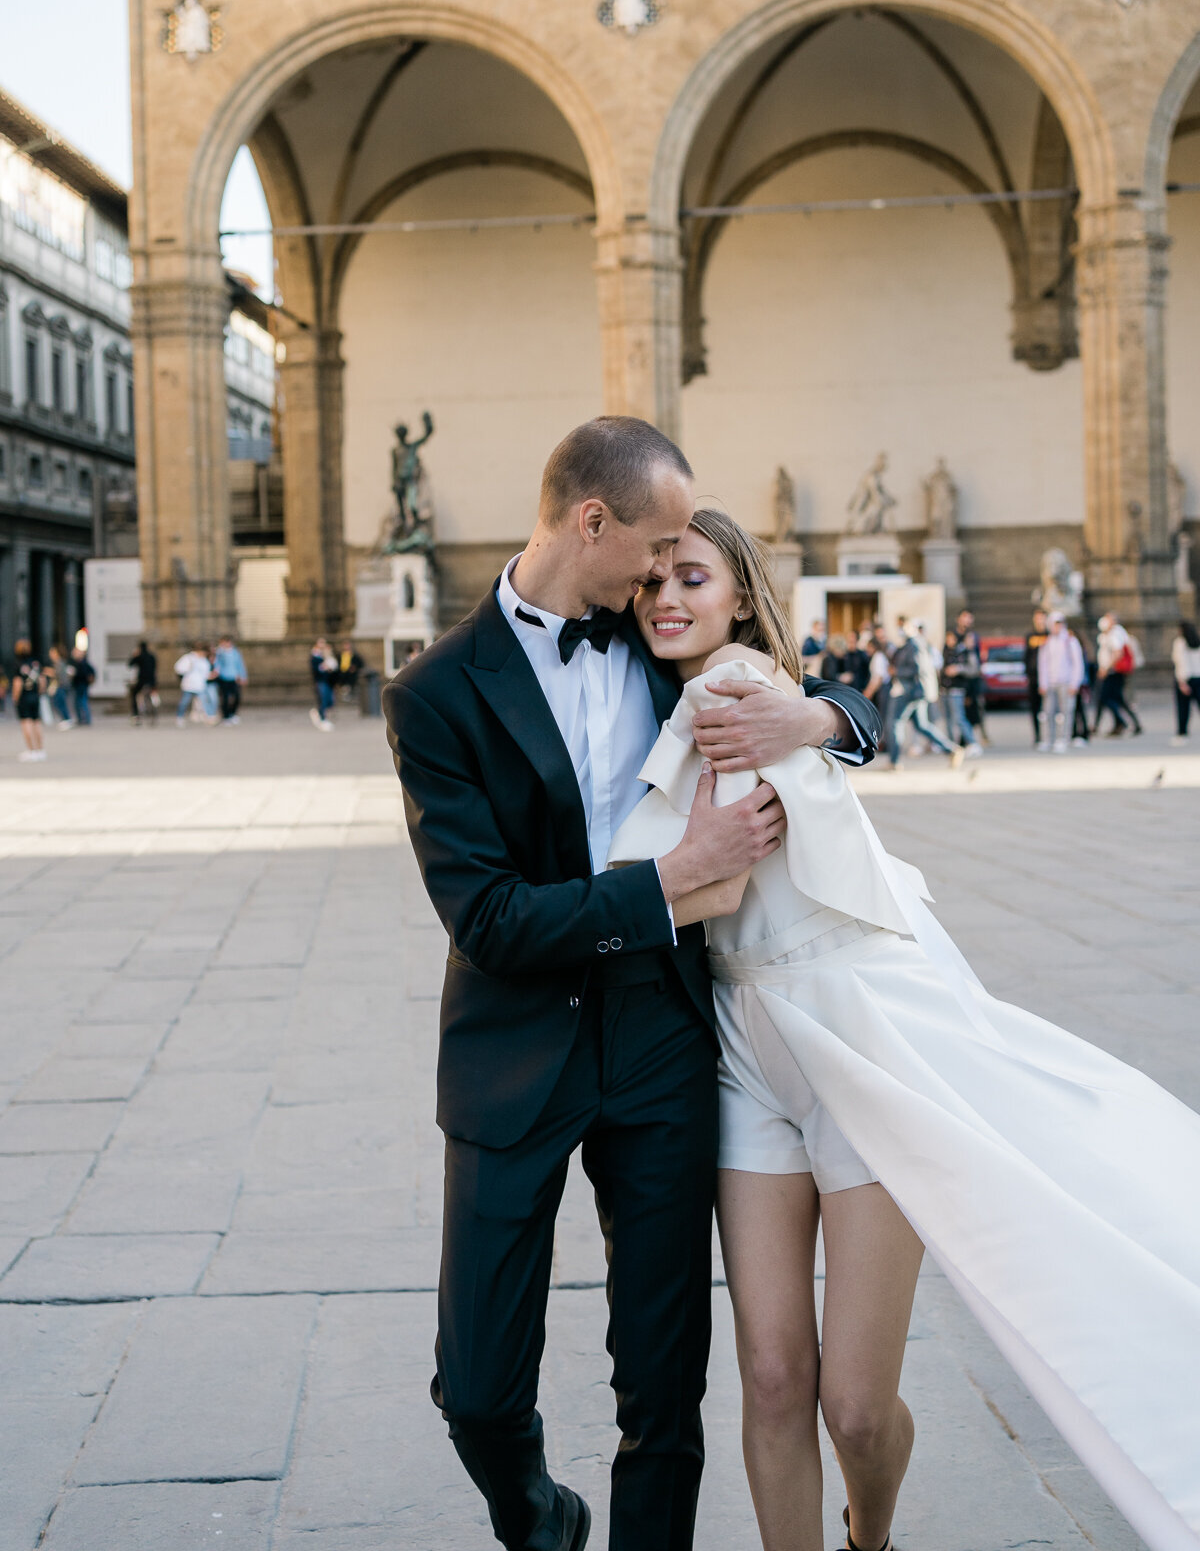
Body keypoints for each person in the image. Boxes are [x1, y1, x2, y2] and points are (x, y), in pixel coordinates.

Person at [610, 507, 1200, 1551]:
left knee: (854, 1405)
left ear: (742, 595)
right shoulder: (686, 693)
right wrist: (832, 717)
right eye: (652, 583)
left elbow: (699, 880)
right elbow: (842, 725)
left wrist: (572, 913)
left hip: (859, 1032)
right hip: (747, 1042)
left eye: (692, 579)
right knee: (773, 1373)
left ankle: (869, 1537)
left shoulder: (732, 689)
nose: (667, 599)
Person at [383, 417, 880, 1551]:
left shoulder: (668, 649)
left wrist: (822, 714)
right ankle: (543, 1518)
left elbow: (842, 708)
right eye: (652, 549)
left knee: (664, 1388)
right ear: (589, 522)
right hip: (514, 1051)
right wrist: (673, 883)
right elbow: (492, 920)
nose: (665, 574)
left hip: (664, 1047)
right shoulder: (434, 695)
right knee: (479, 1390)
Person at [888, 624, 962, 768]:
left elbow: (917, 669)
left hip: (910, 692)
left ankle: (894, 761)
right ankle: (952, 749)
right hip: (916, 692)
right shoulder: (916, 645)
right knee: (922, 725)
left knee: (895, 722)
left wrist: (897, 672)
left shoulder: (914, 646)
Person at [1035, 612, 1087, 753]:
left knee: (1065, 713)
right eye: (1054, 624)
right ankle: (1047, 739)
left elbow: (1078, 664)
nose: (1057, 627)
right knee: (1047, 713)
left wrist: (1075, 683)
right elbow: (1043, 665)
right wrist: (1042, 683)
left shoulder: (1070, 641)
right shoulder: (1047, 642)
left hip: (1066, 682)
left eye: (1059, 624)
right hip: (1051, 682)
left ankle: (1062, 739)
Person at [1094, 612, 1143, 737]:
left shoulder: (1115, 634)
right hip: (1112, 671)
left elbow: (1118, 653)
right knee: (1117, 699)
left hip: (1113, 672)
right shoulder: (1111, 634)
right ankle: (1126, 724)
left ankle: (1121, 722)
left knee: (1107, 698)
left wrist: (1106, 668)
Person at [940, 630, 983, 757]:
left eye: (952, 638)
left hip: (957, 689)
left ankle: (973, 743)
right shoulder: (945, 652)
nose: (949, 641)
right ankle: (951, 746)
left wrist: (958, 669)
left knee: (959, 718)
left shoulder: (964, 652)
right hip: (944, 689)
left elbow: (974, 669)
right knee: (947, 719)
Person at [953, 609, 989, 744]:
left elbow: (977, 661)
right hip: (959, 682)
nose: (967, 621)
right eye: (965, 617)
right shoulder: (954, 636)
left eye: (970, 618)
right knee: (961, 713)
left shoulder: (973, 637)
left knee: (973, 711)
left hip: (972, 681)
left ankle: (968, 740)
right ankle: (964, 741)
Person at [12, 641, 47, 762]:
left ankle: (31, 750)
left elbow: (18, 683)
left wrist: (15, 698)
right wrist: (40, 692)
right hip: (35, 696)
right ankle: (40, 750)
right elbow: (42, 680)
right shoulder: (35, 663)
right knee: (36, 722)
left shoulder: (18, 664)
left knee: (26, 722)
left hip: (24, 697)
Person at [1171, 619, 1200, 743]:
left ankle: (1182, 733)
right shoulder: (1197, 642)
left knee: (1183, 708)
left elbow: (1181, 663)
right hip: (1198, 678)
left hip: (1186, 678)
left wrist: (1182, 682)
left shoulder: (1180, 642)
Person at [1024, 608, 1049, 745]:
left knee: (1050, 708)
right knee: (1035, 709)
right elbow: (1027, 657)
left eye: (1042, 618)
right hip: (1034, 677)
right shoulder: (1030, 636)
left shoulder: (1050, 635)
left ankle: (1050, 735)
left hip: (1049, 678)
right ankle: (1038, 735)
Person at [213, 634, 248, 724]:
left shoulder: (235, 652)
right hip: (223, 678)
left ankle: (233, 713)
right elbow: (217, 663)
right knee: (225, 698)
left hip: (234, 677)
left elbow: (240, 664)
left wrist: (243, 676)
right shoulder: (220, 652)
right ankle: (226, 716)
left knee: (237, 697)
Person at [174, 643, 211, 725]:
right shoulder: (188, 658)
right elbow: (178, 668)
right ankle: (179, 717)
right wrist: (188, 668)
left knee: (204, 702)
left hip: (200, 685)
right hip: (189, 685)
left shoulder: (204, 660)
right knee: (184, 702)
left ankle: (207, 717)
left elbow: (205, 673)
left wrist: (210, 676)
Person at [310, 637, 338, 731]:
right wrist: (324, 667)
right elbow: (317, 669)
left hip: (328, 681)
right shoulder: (315, 656)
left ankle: (320, 715)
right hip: (321, 681)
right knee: (323, 700)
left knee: (330, 700)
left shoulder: (325, 654)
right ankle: (322, 718)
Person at [128, 641, 159, 723]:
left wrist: (134, 655)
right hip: (152, 681)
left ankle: (136, 714)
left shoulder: (140, 656)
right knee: (150, 696)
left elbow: (130, 664)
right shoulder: (152, 656)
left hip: (142, 681)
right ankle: (153, 713)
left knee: (134, 694)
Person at [46, 646, 74, 730]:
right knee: (58, 703)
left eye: (52, 652)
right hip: (60, 686)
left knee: (60, 703)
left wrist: (49, 672)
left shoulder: (60, 663)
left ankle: (67, 719)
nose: (50, 654)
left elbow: (59, 675)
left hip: (61, 686)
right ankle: (65, 719)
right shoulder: (57, 663)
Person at [68, 642, 95, 726]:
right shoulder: (76, 663)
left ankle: (86, 719)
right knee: (78, 703)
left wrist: (75, 674)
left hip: (81, 685)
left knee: (82, 702)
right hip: (78, 684)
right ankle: (81, 719)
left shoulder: (82, 663)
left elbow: (88, 673)